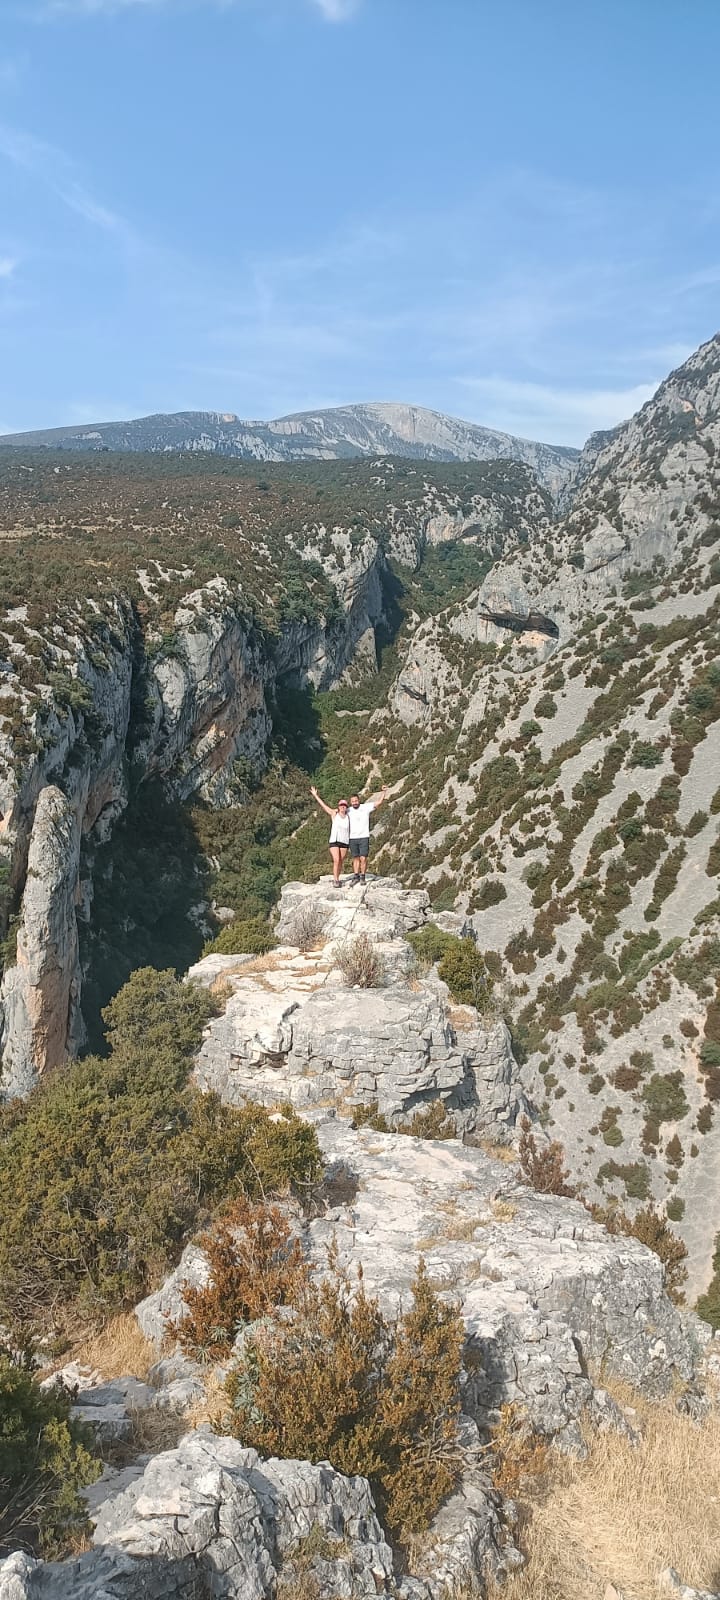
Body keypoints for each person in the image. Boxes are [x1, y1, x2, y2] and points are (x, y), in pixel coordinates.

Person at [309, 786, 350, 886]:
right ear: (338, 806)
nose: (343, 807)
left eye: (344, 805)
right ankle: (335, 880)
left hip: (344, 841)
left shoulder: (349, 816)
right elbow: (324, 806)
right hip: (334, 841)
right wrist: (315, 795)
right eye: (341, 805)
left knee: (341, 861)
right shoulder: (334, 813)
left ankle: (338, 877)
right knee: (336, 860)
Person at [348, 785, 388, 884]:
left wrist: (383, 792)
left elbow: (378, 803)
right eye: (353, 801)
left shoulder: (365, 807)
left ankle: (362, 876)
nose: (354, 803)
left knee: (363, 858)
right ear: (351, 802)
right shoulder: (348, 810)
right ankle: (356, 876)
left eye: (356, 801)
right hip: (352, 837)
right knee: (355, 858)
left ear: (359, 800)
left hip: (364, 837)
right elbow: (337, 812)